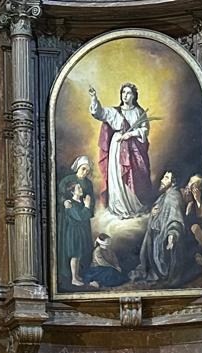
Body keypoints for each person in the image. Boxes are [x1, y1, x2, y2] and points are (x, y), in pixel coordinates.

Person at [87, 82, 153, 218]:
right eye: (123, 92)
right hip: (117, 146)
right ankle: (119, 208)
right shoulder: (115, 112)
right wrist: (94, 98)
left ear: (134, 96)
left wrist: (131, 134)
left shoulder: (139, 112)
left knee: (135, 174)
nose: (125, 95)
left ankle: (133, 206)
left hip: (133, 147)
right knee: (117, 175)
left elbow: (145, 130)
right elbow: (99, 113)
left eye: (128, 93)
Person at [59, 179, 95, 288]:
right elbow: (80, 217)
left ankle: (77, 275)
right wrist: (87, 206)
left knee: (79, 255)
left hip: (80, 232)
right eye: (78, 188)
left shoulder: (80, 202)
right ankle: (74, 279)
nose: (81, 189)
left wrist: (86, 205)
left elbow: (89, 215)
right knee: (75, 255)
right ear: (72, 192)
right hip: (73, 233)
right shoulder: (70, 204)